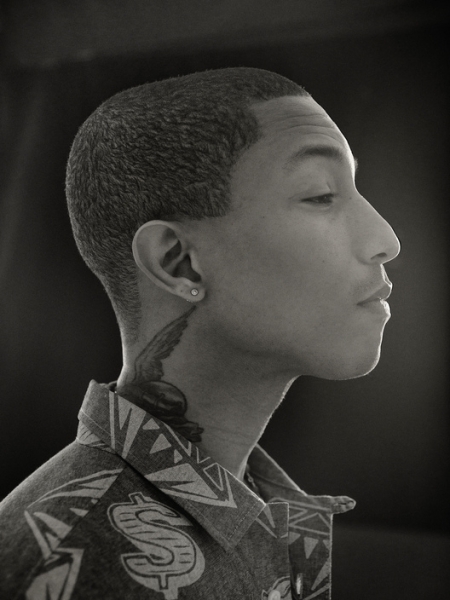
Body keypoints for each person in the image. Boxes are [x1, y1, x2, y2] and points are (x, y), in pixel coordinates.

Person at [0, 67, 400, 600]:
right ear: (179, 262)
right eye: (320, 195)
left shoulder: (261, 503)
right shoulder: (67, 565)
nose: (385, 239)